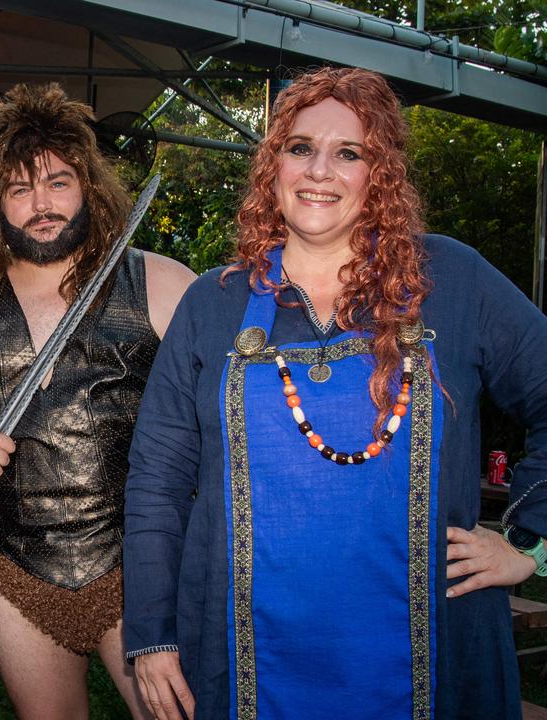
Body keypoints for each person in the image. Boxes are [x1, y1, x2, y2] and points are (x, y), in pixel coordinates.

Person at [123, 66, 547, 720]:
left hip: (435, 655)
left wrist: (530, 544)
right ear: (273, 167)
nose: (319, 169)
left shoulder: (454, 282)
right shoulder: (213, 303)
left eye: (348, 152)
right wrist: (151, 636)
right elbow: (156, 477)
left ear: (380, 174)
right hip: (243, 667)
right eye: (300, 148)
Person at [0, 82, 193, 719]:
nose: (40, 204)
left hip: (143, 560)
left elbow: (232, 416)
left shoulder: (160, 283)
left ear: (89, 188)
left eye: (57, 182)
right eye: (19, 190)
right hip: (15, 562)